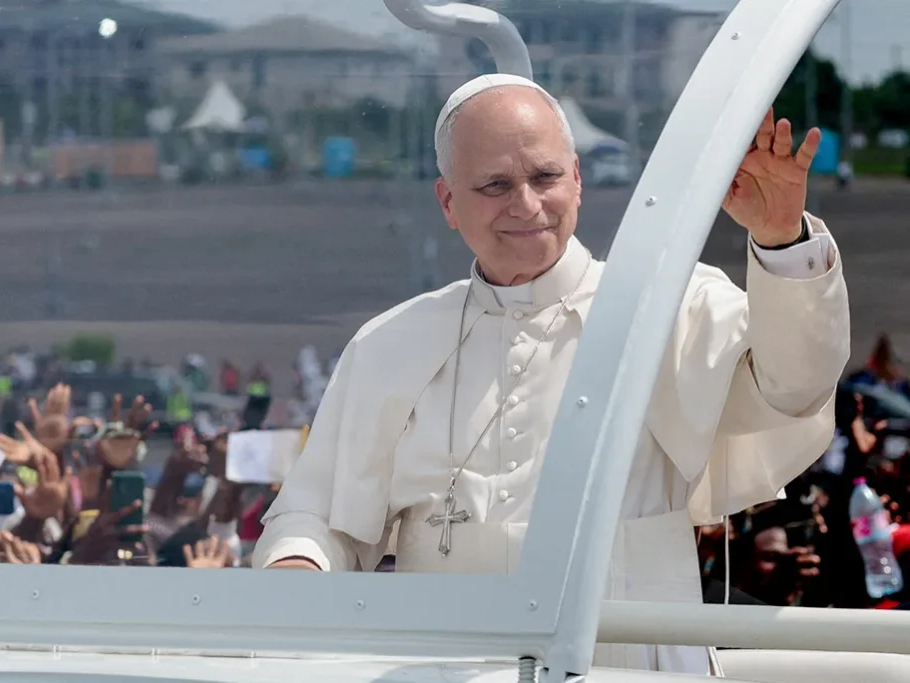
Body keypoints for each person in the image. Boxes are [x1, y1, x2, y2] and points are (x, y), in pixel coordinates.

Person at [253, 74, 850, 674]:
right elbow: (320, 518)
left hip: (631, 667)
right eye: (494, 185)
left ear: (577, 180)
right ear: (448, 202)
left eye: (545, 177)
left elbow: (794, 385)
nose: (526, 204)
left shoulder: (668, 307)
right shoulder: (390, 345)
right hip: (445, 668)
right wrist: (296, 566)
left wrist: (781, 240)